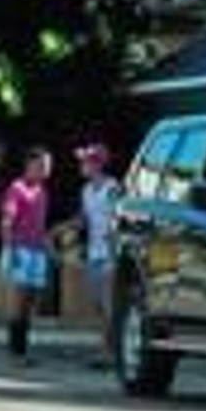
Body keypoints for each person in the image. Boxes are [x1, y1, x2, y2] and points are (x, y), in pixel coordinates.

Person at [0, 147, 54, 365]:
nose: (46, 170)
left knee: (30, 304)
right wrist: (11, 250)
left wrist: (47, 248)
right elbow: (7, 221)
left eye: (48, 166)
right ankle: (15, 352)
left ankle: (23, 350)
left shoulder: (43, 192)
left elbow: (39, 225)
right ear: (30, 165)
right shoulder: (16, 188)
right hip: (19, 250)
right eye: (42, 165)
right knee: (18, 302)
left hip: (37, 252)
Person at [76, 142, 121, 367]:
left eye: (86, 161)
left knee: (109, 304)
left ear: (97, 164)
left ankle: (110, 352)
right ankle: (106, 349)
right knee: (97, 304)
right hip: (94, 253)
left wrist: (114, 255)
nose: (82, 165)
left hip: (109, 254)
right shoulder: (85, 190)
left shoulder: (112, 187)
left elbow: (117, 220)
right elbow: (84, 220)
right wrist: (61, 230)